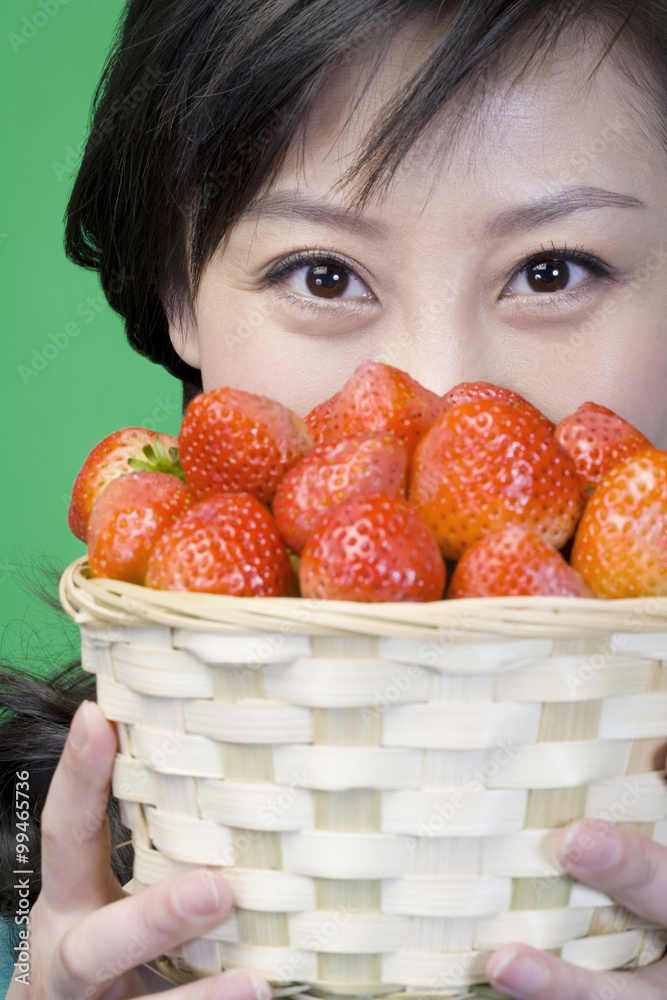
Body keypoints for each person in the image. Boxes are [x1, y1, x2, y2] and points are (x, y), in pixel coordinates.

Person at [3, 0, 667, 995]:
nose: (435, 394)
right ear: (178, 289)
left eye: (550, 268)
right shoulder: (20, 861)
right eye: (323, 274)